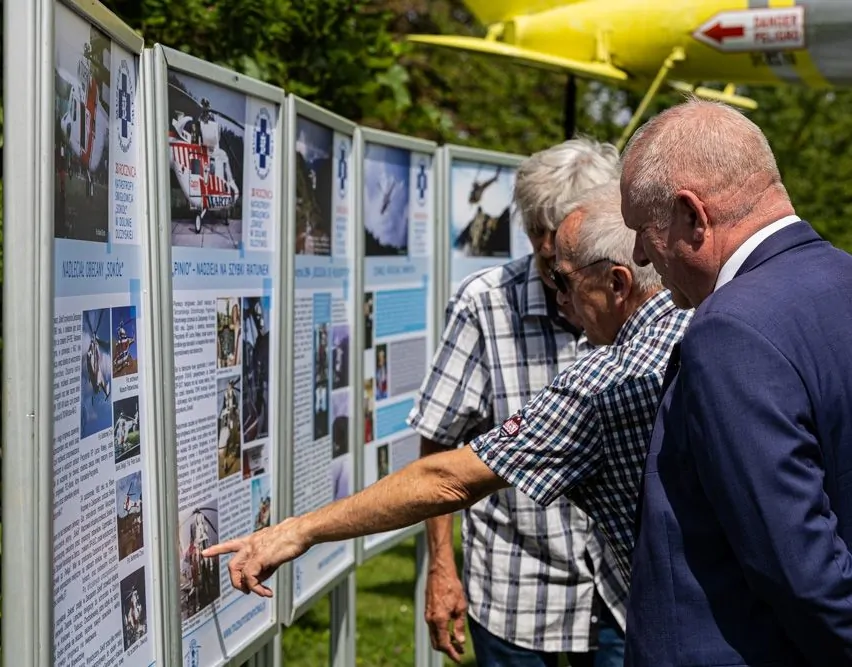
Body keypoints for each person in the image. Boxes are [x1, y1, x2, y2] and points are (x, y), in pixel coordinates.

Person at [203, 180, 692, 658]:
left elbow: (445, 482)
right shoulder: (698, 320)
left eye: (564, 281)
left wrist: (298, 531)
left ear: (618, 282)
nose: (559, 298)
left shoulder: (604, 385)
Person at [620, 98, 852, 666]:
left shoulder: (729, 330)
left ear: (691, 215)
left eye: (641, 232)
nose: (636, 255)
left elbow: (797, 567)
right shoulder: (843, 278)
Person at [408, 138, 623, 667]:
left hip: (623, 589)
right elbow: (439, 442)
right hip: (517, 592)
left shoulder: (634, 291)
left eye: (582, 262)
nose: (564, 283)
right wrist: (441, 568)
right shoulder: (485, 303)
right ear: (532, 234)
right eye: (554, 264)